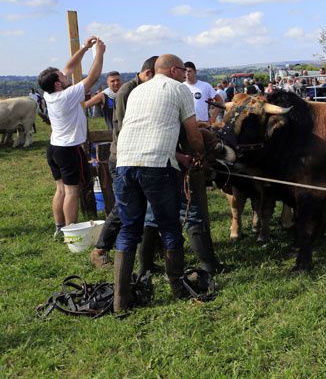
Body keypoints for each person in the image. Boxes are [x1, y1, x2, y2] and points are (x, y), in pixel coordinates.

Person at [112, 54, 206, 311]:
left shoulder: (137, 92)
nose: (184, 75)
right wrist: (198, 154)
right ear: (175, 70)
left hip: (124, 164)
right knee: (170, 227)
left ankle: (120, 301)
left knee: (129, 229)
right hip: (157, 168)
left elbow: (146, 131)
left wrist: (177, 156)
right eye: (182, 71)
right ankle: (177, 287)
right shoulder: (179, 90)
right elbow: (193, 133)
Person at [90, 56, 157, 270]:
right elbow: (124, 128)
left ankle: (150, 249)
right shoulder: (127, 92)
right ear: (148, 73)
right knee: (124, 207)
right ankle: (100, 250)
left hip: (139, 156)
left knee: (145, 206)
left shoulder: (142, 89)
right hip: (123, 158)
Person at [38, 36, 106, 238]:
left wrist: (84, 48)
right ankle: (72, 232)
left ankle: (59, 227)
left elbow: (68, 66)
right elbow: (93, 77)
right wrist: (99, 53)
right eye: (62, 76)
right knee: (72, 192)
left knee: (60, 190)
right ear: (58, 84)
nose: (66, 75)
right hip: (69, 150)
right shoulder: (66, 96)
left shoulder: (49, 93)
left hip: (55, 149)